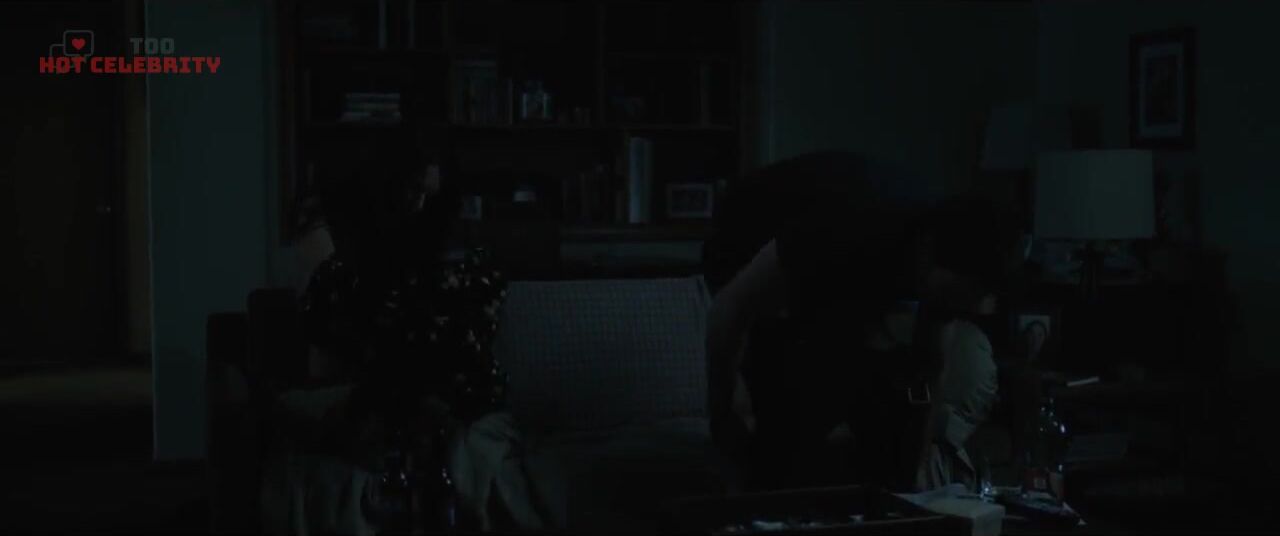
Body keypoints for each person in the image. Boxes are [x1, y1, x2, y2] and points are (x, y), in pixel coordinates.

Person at [261, 140, 551, 535]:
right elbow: (325, 355)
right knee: (281, 414)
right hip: (389, 401)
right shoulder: (357, 270)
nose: (419, 206)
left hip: (453, 406)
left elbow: (462, 363)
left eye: (431, 196)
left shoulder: (470, 270)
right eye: (411, 192)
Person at [703, 151, 1027, 492]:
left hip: (852, 253)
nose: (955, 308)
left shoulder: (942, 272)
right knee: (794, 390)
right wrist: (722, 411)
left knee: (875, 387)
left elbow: (930, 367)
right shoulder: (848, 231)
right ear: (929, 253)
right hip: (743, 234)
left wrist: (914, 474)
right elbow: (728, 310)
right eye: (957, 294)